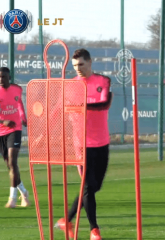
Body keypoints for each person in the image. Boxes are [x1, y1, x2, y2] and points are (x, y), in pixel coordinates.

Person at [55, 49, 112, 240]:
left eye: (81, 64)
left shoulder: (103, 82)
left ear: (90, 62)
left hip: (102, 143)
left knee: (94, 187)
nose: (78, 69)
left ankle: (66, 220)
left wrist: (80, 106)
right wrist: (42, 130)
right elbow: (57, 110)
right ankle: (94, 230)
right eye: (75, 66)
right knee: (88, 187)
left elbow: (103, 104)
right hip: (81, 146)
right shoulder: (70, 86)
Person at [0, 67, 29, 208]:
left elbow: (19, 104)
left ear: (9, 77)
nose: (1, 80)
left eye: (3, 77)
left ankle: (12, 198)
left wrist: (23, 118)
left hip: (15, 129)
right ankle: (24, 192)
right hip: (0, 132)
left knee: (12, 162)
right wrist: (2, 122)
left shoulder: (17, 89)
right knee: (10, 166)